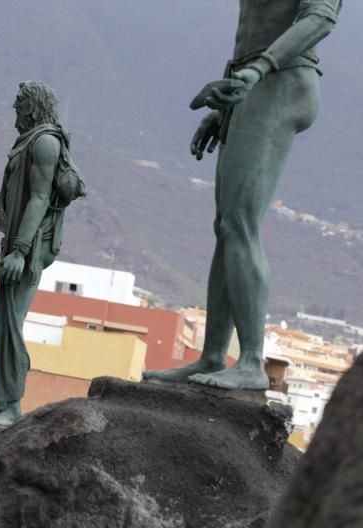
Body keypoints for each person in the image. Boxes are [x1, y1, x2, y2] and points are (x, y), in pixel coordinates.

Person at [145, 0, 342, 390]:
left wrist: (258, 70)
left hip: (282, 81)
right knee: (227, 227)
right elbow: (253, 30)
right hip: (253, 83)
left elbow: (321, 17)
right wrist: (226, 104)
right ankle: (214, 355)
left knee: (240, 224)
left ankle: (252, 360)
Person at [0, 81, 84, 424]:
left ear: (32, 107)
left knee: (12, 325)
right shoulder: (28, 143)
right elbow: (20, 195)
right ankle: (2, 403)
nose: (14, 110)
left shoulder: (45, 143)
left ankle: (13, 406)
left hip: (30, 248)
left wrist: (19, 250)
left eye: (19, 105)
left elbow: (41, 198)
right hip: (18, 243)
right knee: (3, 325)